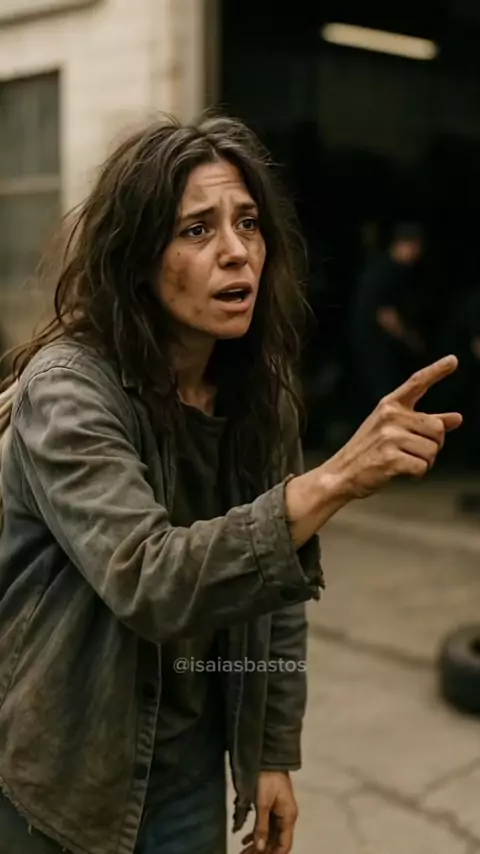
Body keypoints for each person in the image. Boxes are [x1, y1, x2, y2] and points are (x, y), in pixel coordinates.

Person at [0, 114, 462, 854]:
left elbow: (277, 593)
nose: (236, 251)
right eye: (196, 230)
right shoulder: (68, 393)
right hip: (60, 774)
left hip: (188, 775)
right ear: (138, 256)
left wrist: (273, 752)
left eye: (248, 223)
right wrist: (334, 479)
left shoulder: (258, 400)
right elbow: (149, 578)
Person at [350, 222, 428, 412]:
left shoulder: (387, 267)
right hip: (373, 343)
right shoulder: (388, 270)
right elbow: (384, 314)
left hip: (371, 343)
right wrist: (409, 339)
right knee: (383, 395)